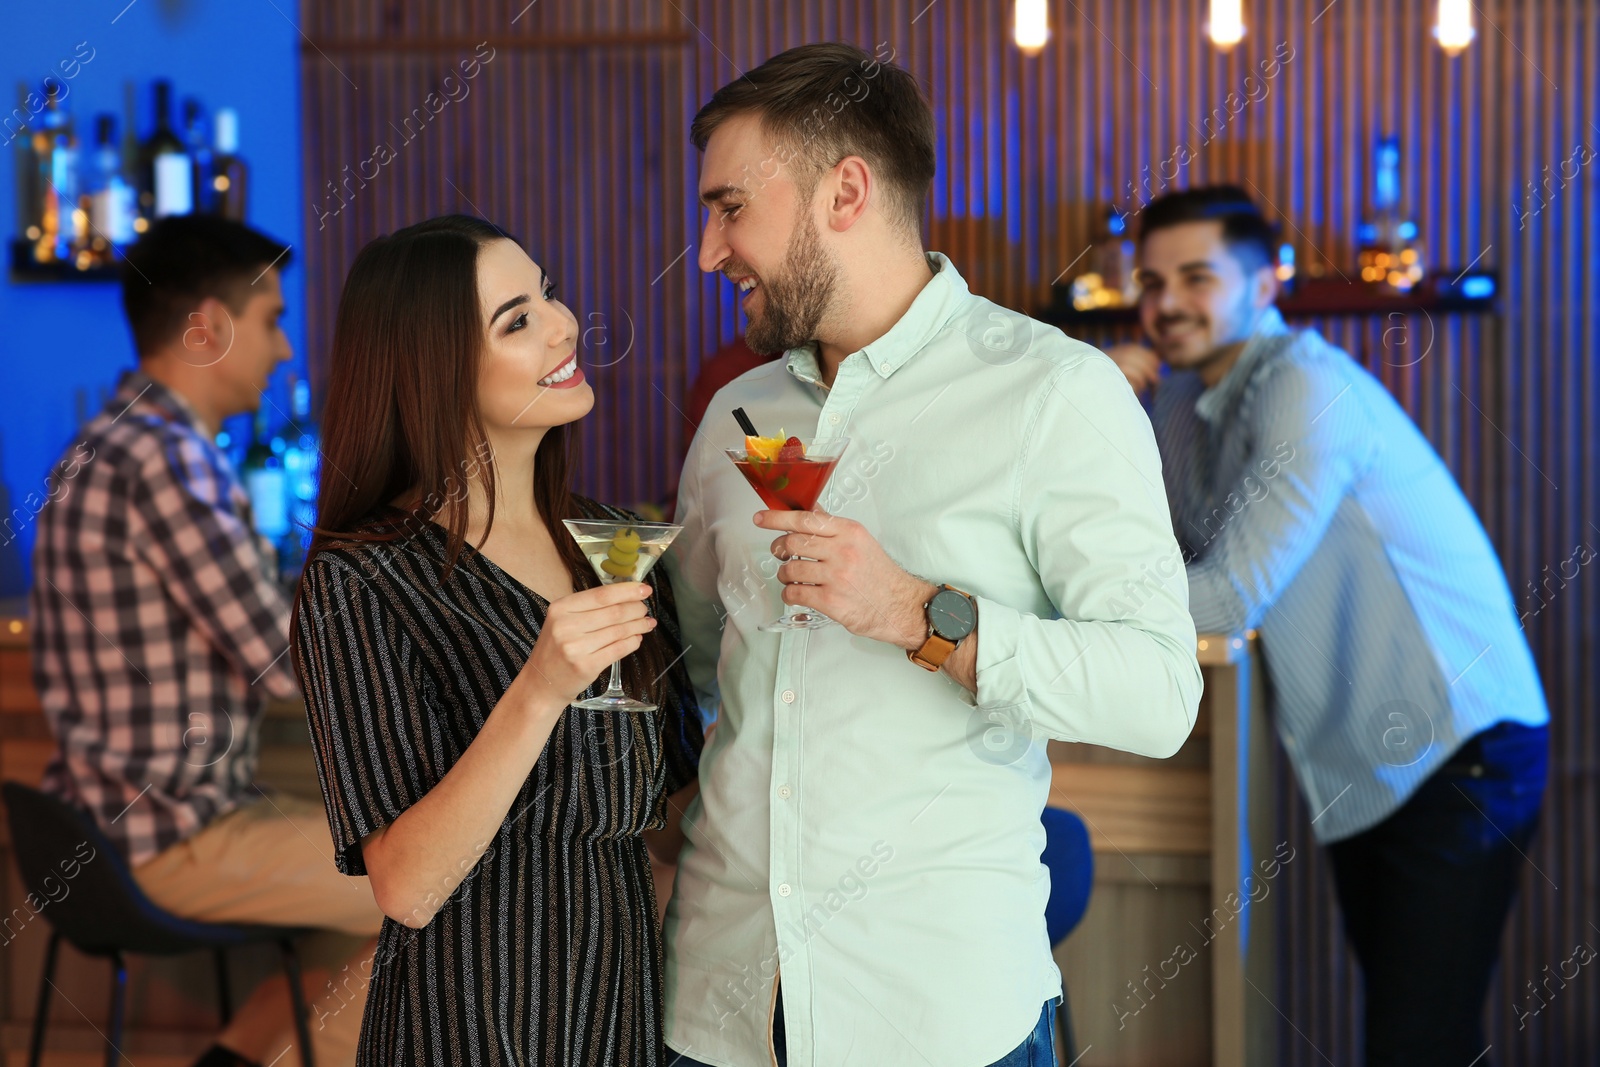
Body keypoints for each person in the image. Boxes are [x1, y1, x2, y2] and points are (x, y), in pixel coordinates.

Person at [665, 43, 1201, 1067]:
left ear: (846, 192)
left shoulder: (1053, 392)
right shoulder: (739, 414)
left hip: (938, 1017)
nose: (706, 250)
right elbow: (696, 677)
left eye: (730, 207)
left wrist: (919, 612)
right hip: (715, 1014)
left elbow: (1157, 691)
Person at [1105, 185, 1550, 1067]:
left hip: (1459, 750)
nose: (1164, 304)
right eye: (1151, 283)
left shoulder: (1303, 388)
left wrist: (1042, 609)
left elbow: (1226, 598)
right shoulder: (1195, 404)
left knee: (1421, 1042)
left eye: (1196, 277)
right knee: (1417, 1036)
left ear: (1268, 282)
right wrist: (1103, 408)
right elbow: (1165, 561)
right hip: (1377, 765)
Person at [290, 214, 703, 1066]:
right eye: (517, 319)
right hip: (467, 1024)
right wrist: (541, 687)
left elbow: (676, 805)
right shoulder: (362, 583)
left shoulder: (619, 545)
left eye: (547, 292)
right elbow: (406, 885)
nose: (564, 322)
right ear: (436, 372)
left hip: (621, 1016)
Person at [30, 213, 386, 1067]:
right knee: (439, 886)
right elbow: (286, 665)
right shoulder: (166, 461)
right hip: (168, 839)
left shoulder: (104, 445)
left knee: (388, 884)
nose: (288, 352)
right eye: (272, 321)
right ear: (206, 328)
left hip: (99, 830)